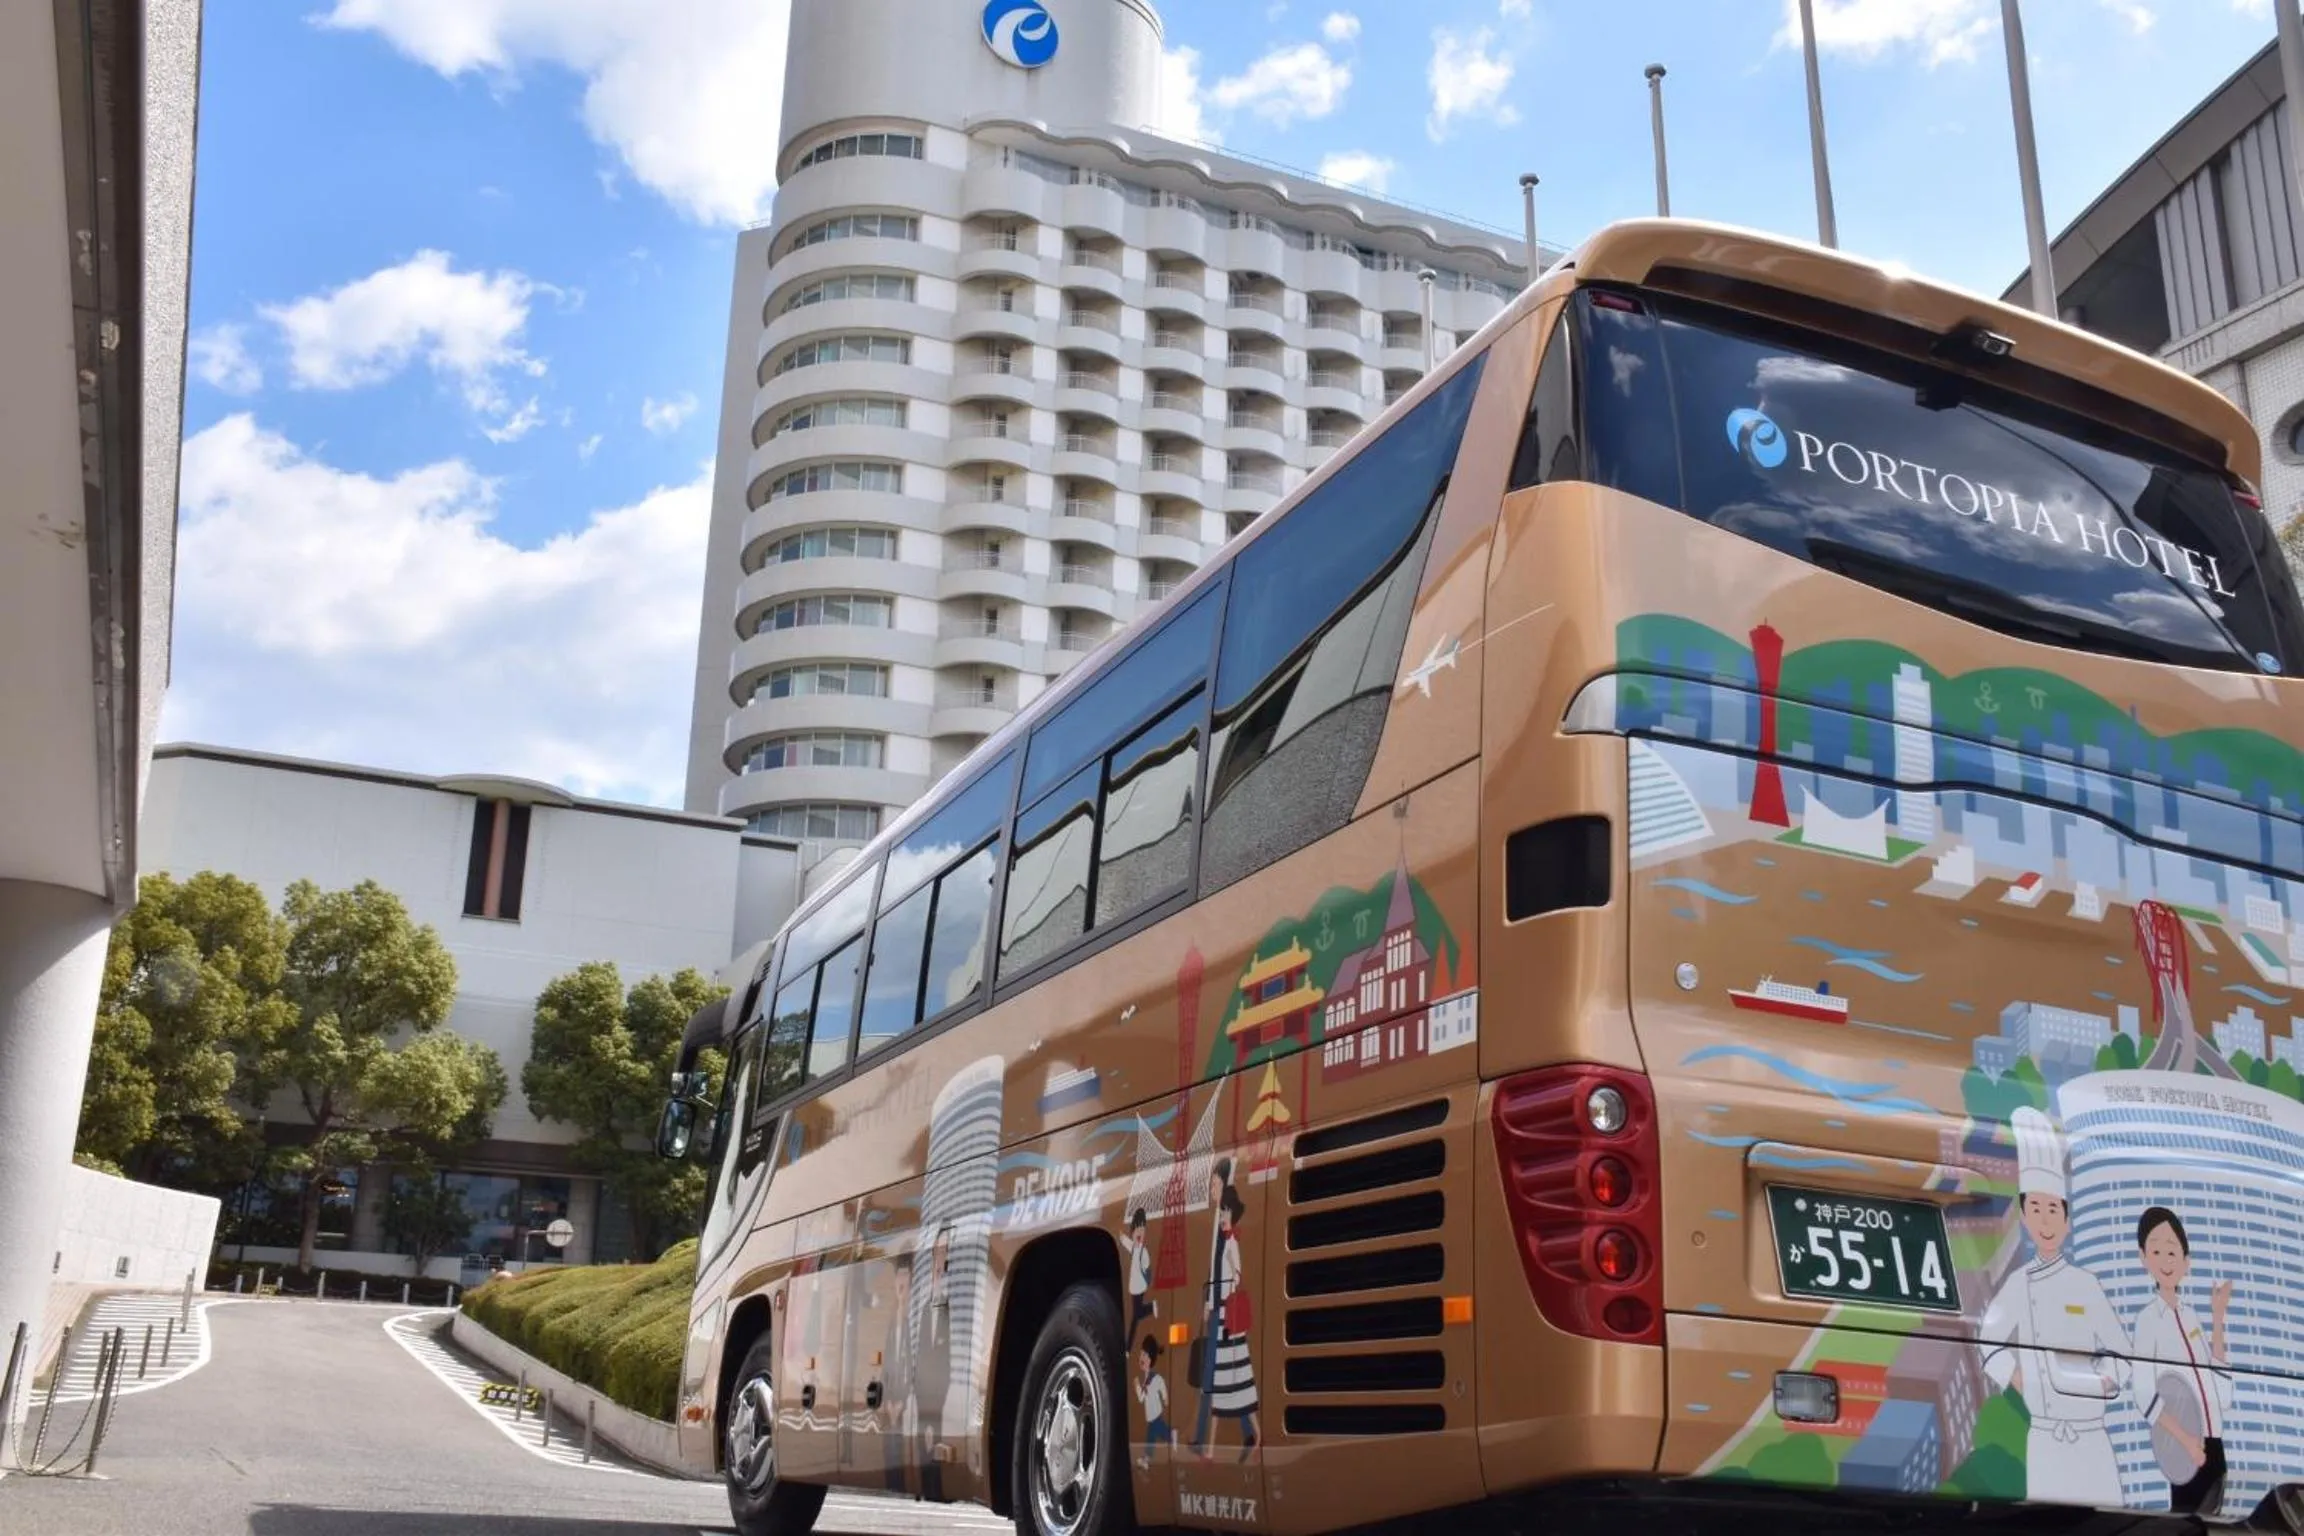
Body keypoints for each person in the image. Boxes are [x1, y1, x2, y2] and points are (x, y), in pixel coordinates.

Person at [1978, 1107, 2131, 1507]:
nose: (2045, 1220)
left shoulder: (2087, 1284)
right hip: (2044, 1437)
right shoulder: (2018, 1284)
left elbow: (2122, 1350)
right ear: (2026, 1218)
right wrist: (2018, 1379)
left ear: (2066, 1221)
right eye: (2036, 1210)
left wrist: (2106, 1381)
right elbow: (1988, 1340)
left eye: (2053, 1210)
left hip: (2093, 1436)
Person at [2129, 1206, 2234, 1516]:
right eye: (2156, 1250)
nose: (2165, 1260)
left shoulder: (2191, 1315)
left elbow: (2218, 1386)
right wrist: (2188, 1442)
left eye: (2172, 1251)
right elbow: (2144, 1393)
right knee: (2183, 1523)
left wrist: (2217, 1318)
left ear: (2186, 1261)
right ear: (2143, 1258)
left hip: (2213, 1441)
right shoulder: (2147, 1320)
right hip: (2182, 1448)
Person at [915, 1225, 952, 1501]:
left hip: (938, 1391)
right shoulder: (928, 1307)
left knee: (935, 1439)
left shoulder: (948, 1304)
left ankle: (934, 1487)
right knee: (921, 1440)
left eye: (944, 1257)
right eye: (937, 1256)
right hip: (922, 1390)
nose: (940, 1265)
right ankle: (923, 1485)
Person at [1134, 1335, 1173, 1471]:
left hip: (1155, 1415)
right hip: (1151, 1417)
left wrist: (1165, 1399)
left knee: (1157, 1434)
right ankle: (1172, 1439)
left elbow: (1162, 1387)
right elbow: (1141, 1398)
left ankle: (1147, 1459)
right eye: (1141, 1354)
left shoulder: (1155, 1378)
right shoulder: (1145, 1379)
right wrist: (1138, 1386)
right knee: (1156, 1435)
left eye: (1145, 1355)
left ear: (1151, 1360)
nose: (1142, 1358)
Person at [1126, 1207, 1156, 1339]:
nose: (1139, 1232)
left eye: (1142, 1229)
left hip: (1139, 1286)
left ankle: (1127, 1348)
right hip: (1135, 1287)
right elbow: (1127, 1243)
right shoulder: (1135, 1247)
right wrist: (1121, 1237)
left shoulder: (1144, 1252)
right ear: (1132, 1231)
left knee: (1136, 1316)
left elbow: (1147, 1267)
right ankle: (1151, 1307)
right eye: (1137, 1229)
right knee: (1136, 1315)